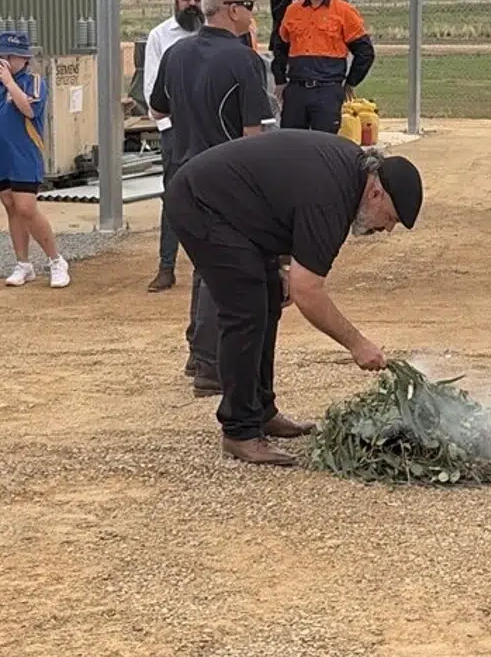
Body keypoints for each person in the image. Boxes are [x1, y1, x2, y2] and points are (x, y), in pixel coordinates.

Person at [164, 129, 421, 466]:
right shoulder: (332, 197)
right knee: (245, 308)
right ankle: (239, 431)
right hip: (201, 203)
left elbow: (285, 204)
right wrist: (358, 345)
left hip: (234, 208)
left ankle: (262, 411)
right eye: (390, 218)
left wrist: (283, 268)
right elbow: (308, 291)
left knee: (268, 295)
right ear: (376, 192)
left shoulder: (349, 177)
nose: (386, 230)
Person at [148, 0, 274, 396]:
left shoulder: (177, 53)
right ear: (233, 10)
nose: (254, 16)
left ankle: (197, 355)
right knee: (221, 269)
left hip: (182, 168)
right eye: (251, 7)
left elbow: (157, 108)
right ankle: (207, 365)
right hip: (223, 176)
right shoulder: (245, 61)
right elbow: (253, 135)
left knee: (205, 264)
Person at [0, 30, 72, 287]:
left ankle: (55, 260)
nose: (6, 60)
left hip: (24, 154)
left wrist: (9, 82)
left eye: (12, 56)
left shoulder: (34, 82)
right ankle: (23, 263)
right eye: (2, 56)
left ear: (24, 59)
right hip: (1, 155)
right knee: (10, 206)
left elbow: (29, 109)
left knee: (26, 208)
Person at [142, 0, 205, 293]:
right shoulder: (160, 37)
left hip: (211, 134)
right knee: (175, 198)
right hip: (176, 135)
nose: (192, 4)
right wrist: (170, 131)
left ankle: (210, 268)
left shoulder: (215, 35)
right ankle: (166, 267)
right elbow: (152, 90)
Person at [271, 0, 375, 133]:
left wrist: (351, 82)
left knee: (325, 144)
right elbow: (280, 47)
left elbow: (365, 52)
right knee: (291, 143)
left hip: (328, 89)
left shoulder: (344, 11)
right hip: (296, 89)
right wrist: (280, 80)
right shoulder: (292, 11)